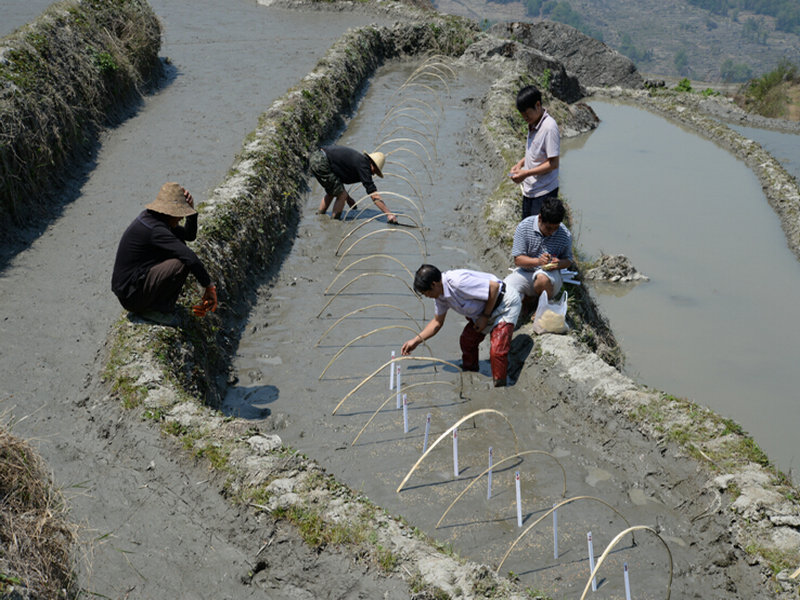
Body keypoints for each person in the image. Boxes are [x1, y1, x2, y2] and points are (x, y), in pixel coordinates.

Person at [112, 182, 218, 326]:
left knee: (180, 243)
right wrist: (209, 287)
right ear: (169, 212)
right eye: (180, 214)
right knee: (181, 263)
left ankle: (155, 303)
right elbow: (190, 258)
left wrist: (191, 213)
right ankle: (155, 310)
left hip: (132, 288)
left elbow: (188, 235)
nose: (181, 218)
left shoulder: (155, 219)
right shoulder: (155, 229)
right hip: (131, 297)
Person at [401, 265, 521, 387]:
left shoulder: (458, 282)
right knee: (467, 340)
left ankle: (500, 386)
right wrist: (416, 341)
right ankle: (470, 372)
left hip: (504, 304)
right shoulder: (440, 296)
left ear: (433, 284)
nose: (427, 296)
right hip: (484, 311)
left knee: (497, 350)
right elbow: (437, 322)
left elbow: (494, 287)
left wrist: (485, 316)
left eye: (426, 293)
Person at [503, 196, 573, 314]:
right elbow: (518, 260)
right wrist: (538, 262)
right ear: (540, 218)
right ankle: (526, 302)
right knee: (505, 289)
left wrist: (559, 263)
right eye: (548, 228)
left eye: (555, 228)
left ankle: (540, 307)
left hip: (549, 277)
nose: (552, 232)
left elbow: (569, 260)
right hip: (526, 273)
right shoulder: (524, 227)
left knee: (541, 278)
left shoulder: (565, 234)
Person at [309, 145, 397, 223]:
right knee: (342, 195)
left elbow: (337, 180)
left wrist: (349, 199)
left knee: (332, 192)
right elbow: (373, 195)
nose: (373, 174)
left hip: (317, 157)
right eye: (376, 171)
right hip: (321, 161)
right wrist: (389, 214)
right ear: (372, 164)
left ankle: (320, 217)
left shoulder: (361, 161)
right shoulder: (364, 166)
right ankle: (334, 223)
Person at [508, 85, 560, 220]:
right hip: (530, 190)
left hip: (544, 192)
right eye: (523, 116)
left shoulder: (549, 127)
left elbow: (553, 163)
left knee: (539, 233)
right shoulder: (533, 124)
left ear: (538, 105)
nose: (525, 118)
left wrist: (526, 173)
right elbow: (534, 152)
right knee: (527, 230)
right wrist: (520, 165)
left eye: (527, 114)